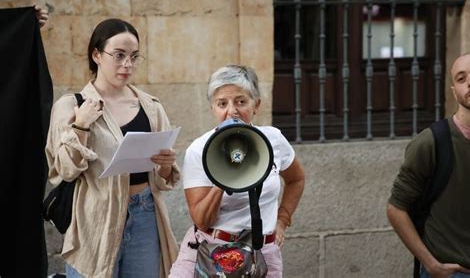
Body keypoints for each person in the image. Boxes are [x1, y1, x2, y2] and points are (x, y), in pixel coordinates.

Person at [45, 18, 180, 278]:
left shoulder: (151, 107)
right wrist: (81, 125)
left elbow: (163, 181)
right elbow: (63, 171)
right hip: (95, 218)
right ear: (97, 54)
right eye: (118, 55)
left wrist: (165, 166)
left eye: (134, 56)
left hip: (145, 214)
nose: (127, 64)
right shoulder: (72, 105)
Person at [169, 65, 305, 277]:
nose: (232, 111)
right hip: (209, 251)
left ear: (256, 104)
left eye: (241, 101)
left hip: (262, 252)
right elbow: (202, 220)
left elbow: (296, 179)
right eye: (222, 103)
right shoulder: (199, 150)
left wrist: (282, 220)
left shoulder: (273, 140)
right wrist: (222, 176)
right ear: (213, 108)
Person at [387, 53, 470, 278]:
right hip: (453, 271)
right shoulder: (432, 142)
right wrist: (431, 265)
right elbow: (396, 209)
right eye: (461, 79)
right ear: (454, 91)